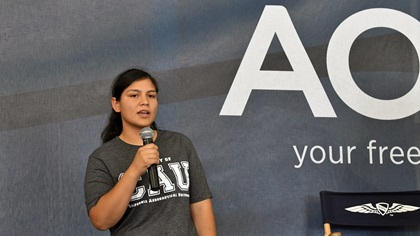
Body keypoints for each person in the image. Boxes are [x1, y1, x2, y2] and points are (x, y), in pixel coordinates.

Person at [84, 68, 216, 235]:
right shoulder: (101, 159)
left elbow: (201, 207)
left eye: (151, 96)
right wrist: (134, 170)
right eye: (134, 95)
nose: (144, 102)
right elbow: (101, 220)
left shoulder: (179, 144)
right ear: (116, 104)